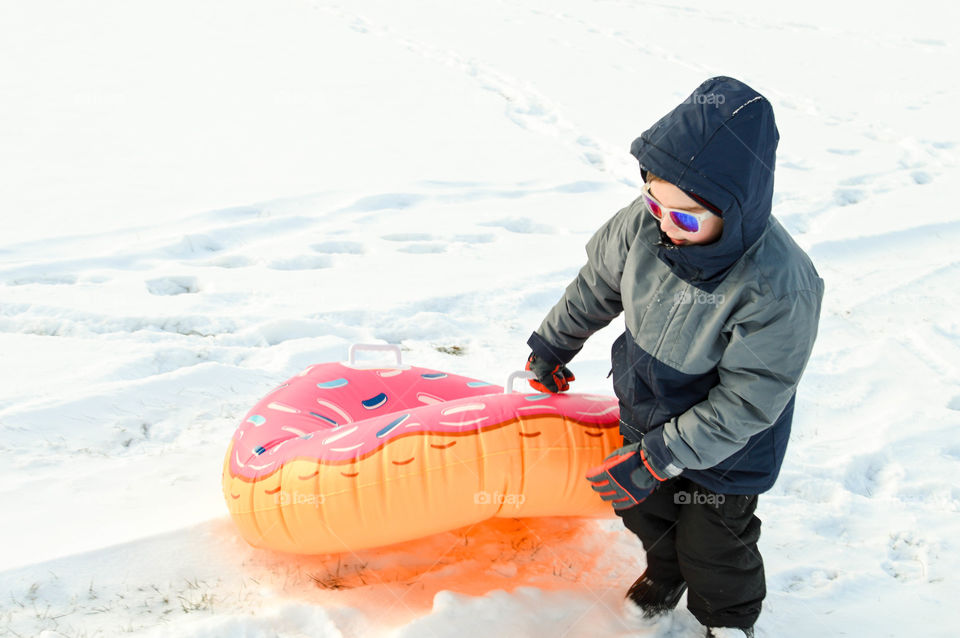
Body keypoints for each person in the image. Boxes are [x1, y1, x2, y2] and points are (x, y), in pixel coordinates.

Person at [524, 76, 824, 637]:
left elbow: (748, 400)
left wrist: (660, 456)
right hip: (647, 408)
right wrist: (553, 344)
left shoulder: (778, 285)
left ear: (734, 211)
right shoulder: (647, 223)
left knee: (714, 541)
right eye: (652, 200)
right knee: (645, 511)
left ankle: (727, 620)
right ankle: (665, 574)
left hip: (729, 446)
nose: (664, 222)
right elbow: (597, 285)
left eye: (685, 217)